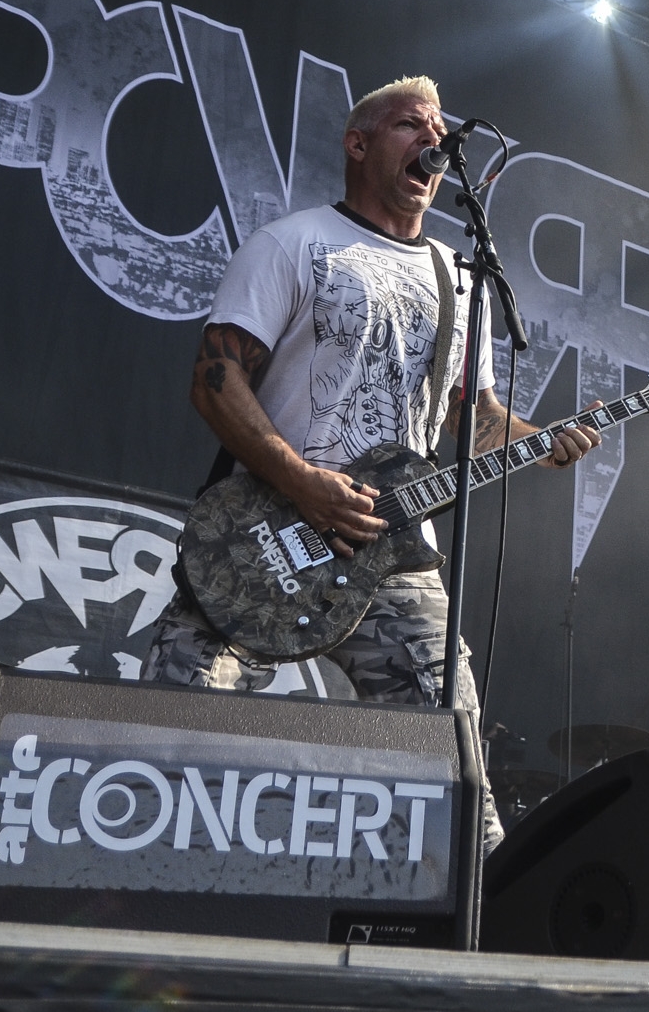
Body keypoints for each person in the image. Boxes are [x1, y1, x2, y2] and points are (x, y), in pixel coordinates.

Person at [145, 75, 601, 851]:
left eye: (439, 131)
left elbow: (474, 418)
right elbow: (215, 381)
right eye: (410, 125)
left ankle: (476, 914)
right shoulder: (292, 243)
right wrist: (303, 483)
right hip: (268, 534)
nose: (432, 139)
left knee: (455, 772)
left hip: (394, 553)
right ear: (358, 143)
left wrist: (545, 439)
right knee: (165, 729)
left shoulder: (460, 280)